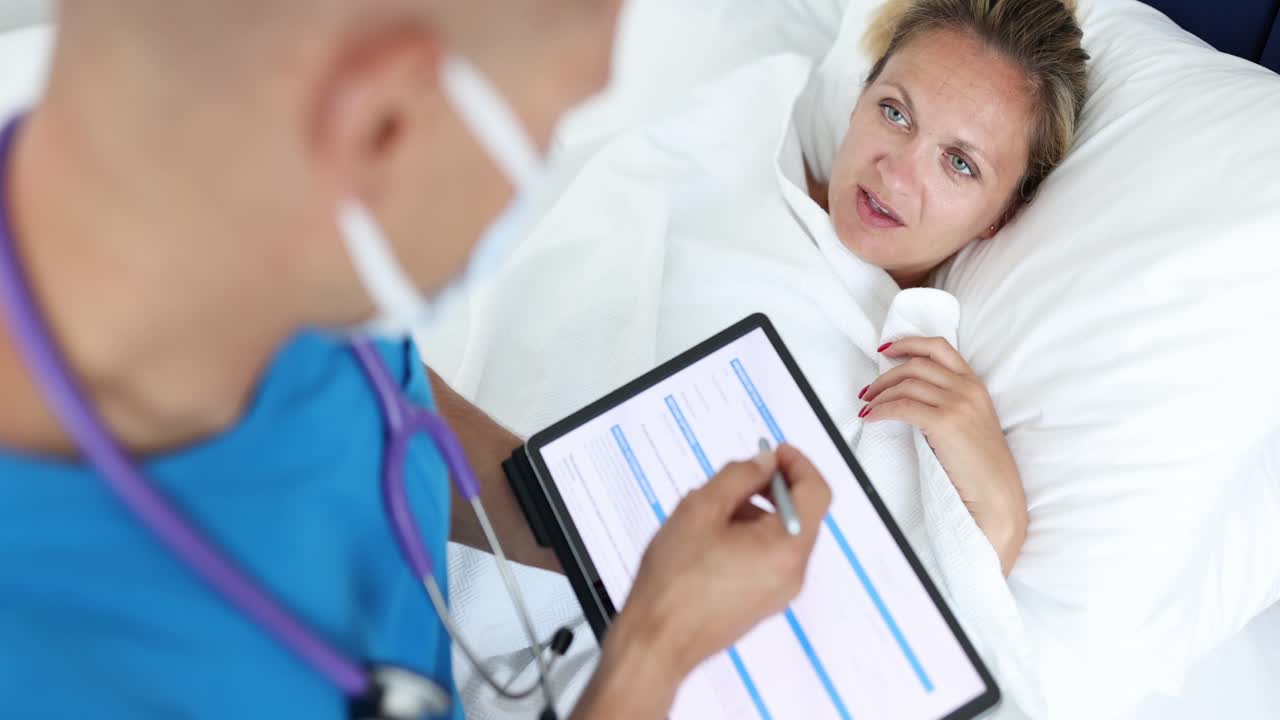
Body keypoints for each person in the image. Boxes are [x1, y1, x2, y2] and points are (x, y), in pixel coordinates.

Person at [0, 2, 831, 719]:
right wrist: (654, 650)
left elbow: (386, 402)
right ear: (382, 129)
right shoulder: (74, 672)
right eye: (542, 137)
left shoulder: (235, 218)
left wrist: (594, 521)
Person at [806, 0, 1089, 574]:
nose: (897, 173)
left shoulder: (919, 383)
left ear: (1003, 215)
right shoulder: (735, 158)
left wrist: (1001, 520)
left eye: (960, 163)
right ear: (861, 96)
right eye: (895, 112)